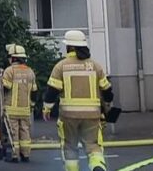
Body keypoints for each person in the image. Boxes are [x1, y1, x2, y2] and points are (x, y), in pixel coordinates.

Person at [42, 30, 113, 171]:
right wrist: (107, 109)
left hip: (68, 116)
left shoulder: (61, 66)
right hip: (92, 116)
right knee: (93, 146)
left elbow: (52, 92)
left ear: (69, 47)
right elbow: (107, 92)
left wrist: (47, 108)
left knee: (70, 147)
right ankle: (97, 166)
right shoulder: (96, 66)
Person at [2, 44, 38, 163]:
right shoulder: (30, 72)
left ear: (13, 58)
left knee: (13, 134)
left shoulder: (9, 71)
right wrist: (32, 105)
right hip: (25, 109)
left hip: (11, 110)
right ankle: (26, 155)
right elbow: (34, 92)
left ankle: (14, 155)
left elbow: (5, 88)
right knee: (25, 132)